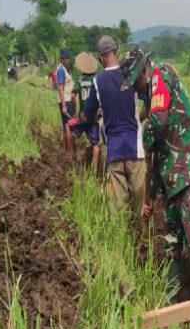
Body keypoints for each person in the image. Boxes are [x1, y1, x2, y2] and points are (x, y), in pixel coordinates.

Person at [120, 46, 190, 329]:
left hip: (188, 174)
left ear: (144, 71)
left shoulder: (160, 76)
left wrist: (146, 130)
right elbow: (152, 155)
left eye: (136, 82)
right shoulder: (149, 94)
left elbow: (159, 125)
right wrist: (150, 196)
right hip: (170, 181)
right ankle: (169, 304)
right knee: (173, 244)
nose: (136, 89)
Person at [83, 36, 146, 217]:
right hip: (135, 148)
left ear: (101, 58)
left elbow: (87, 114)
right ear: (117, 53)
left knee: (120, 207)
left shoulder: (98, 81)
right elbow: (148, 101)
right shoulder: (130, 74)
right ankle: (141, 240)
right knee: (140, 205)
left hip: (115, 150)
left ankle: (123, 241)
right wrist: (139, 120)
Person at [72, 52, 101, 174]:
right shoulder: (97, 80)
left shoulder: (79, 80)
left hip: (83, 115)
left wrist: (75, 111)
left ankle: (76, 160)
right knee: (95, 144)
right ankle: (95, 170)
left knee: (75, 134)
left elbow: (73, 96)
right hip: (93, 116)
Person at [56, 48, 75, 157]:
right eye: (67, 58)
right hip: (66, 101)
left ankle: (66, 150)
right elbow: (60, 88)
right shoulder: (61, 70)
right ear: (63, 59)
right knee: (68, 126)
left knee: (66, 125)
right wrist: (64, 105)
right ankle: (70, 152)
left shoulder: (64, 69)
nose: (68, 60)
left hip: (67, 101)